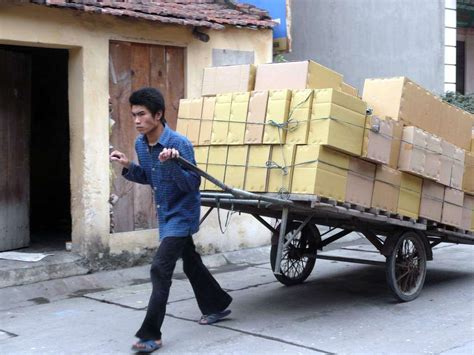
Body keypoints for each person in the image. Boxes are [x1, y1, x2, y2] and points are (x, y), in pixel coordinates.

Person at [110, 87, 232, 353]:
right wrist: (129, 165)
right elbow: (150, 178)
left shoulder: (179, 144)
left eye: (141, 114)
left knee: (160, 268)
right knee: (190, 261)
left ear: (158, 114)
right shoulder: (141, 144)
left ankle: (150, 334)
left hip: (182, 213)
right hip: (165, 214)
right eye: (133, 115)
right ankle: (216, 304)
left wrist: (172, 164)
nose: (136, 120)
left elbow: (191, 185)